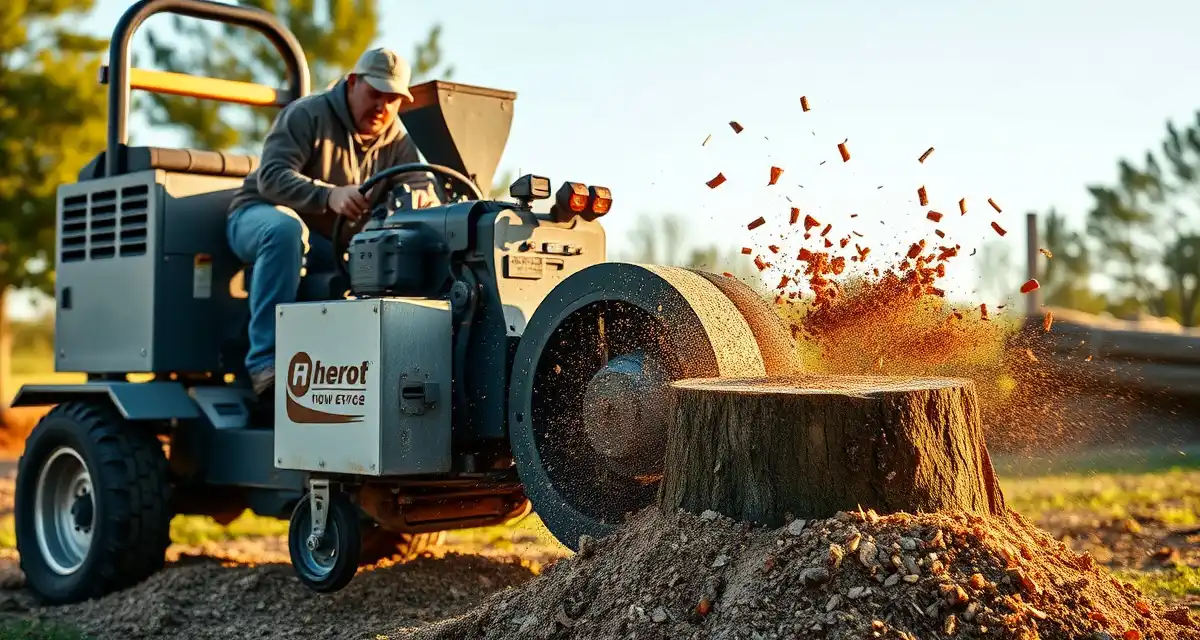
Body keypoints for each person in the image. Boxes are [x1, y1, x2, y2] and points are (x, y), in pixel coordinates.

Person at [226, 46, 432, 421]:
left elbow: (422, 183)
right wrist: (328, 195)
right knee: (285, 231)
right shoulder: (308, 114)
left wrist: (419, 196)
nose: (383, 107)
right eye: (375, 94)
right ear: (353, 83)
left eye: (393, 99)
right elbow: (271, 177)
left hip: (329, 244)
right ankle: (265, 367)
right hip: (257, 218)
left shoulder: (396, 139)